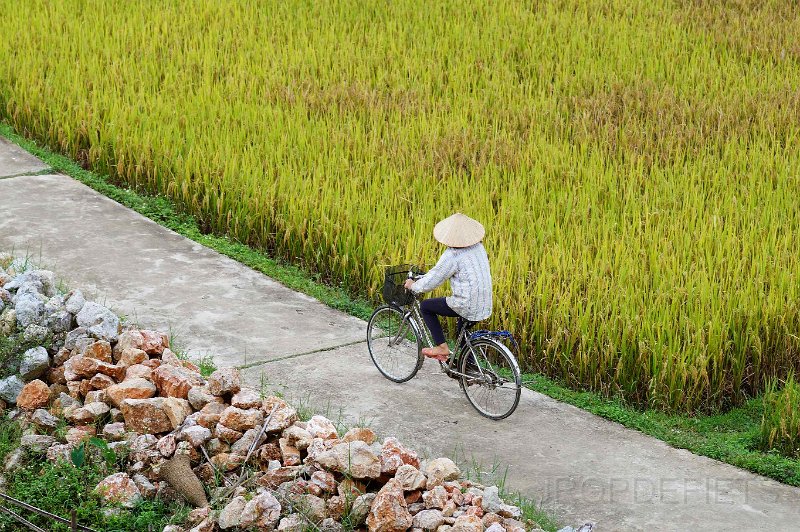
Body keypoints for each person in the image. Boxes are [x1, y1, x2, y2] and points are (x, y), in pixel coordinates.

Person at [403, 212, 492, 361]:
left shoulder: (453, 255)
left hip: (466, 304)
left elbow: (435, 279)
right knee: (462, 334)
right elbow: (438, 273)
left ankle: (441, 348)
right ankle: (469, 368)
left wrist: (414, 286)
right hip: (484, 302)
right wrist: (425, 277)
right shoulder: (478, 247)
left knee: (426, 306)